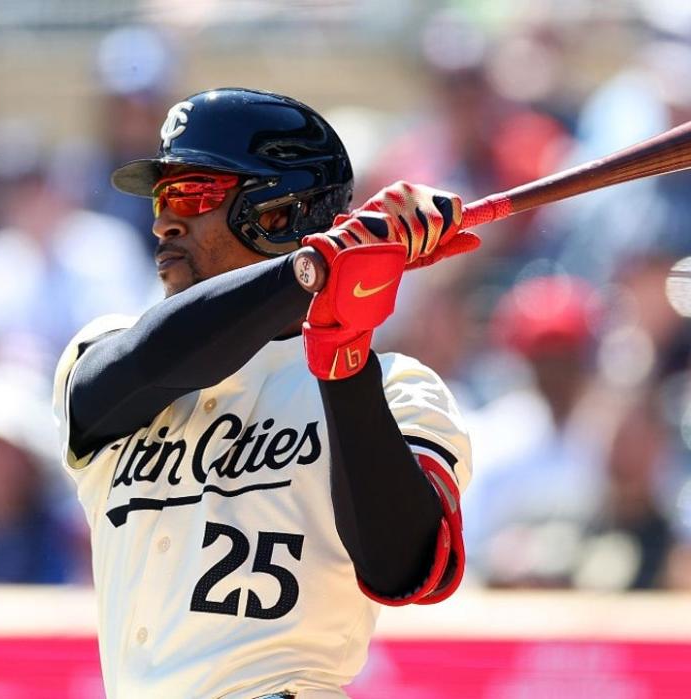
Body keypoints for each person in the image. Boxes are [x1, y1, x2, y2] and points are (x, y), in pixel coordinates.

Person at [52, 88, 477, 698]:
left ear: (279, 213)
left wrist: (343, 358)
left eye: (193, 194)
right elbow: (155, 361)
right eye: (161, 198)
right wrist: (311, 270)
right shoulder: (110, 347)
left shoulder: (398, 387)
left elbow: (405, 569)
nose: (163, 221)